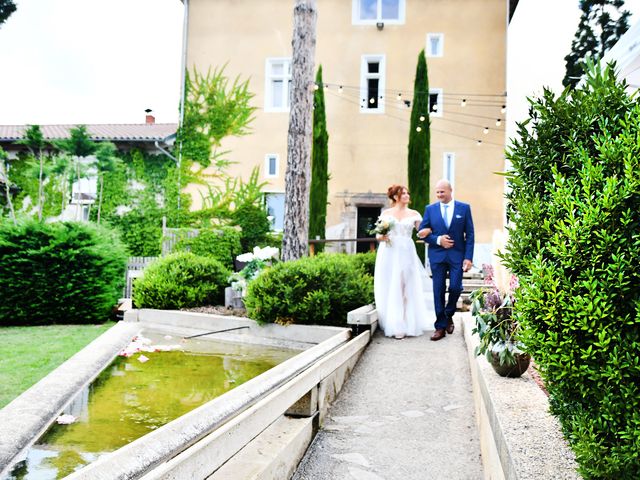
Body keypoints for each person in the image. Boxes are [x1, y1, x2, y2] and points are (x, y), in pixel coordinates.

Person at [417, 179, 474, 341]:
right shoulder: (430, 209)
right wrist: (437, 240)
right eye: (437, 192)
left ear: (450, 191)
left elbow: (470, 235)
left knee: (456, 287)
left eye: (442, 191)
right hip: (437, 256)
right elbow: (423, 234)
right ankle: (440, 327)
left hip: (457, 255)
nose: (439, 194)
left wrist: (468, 257)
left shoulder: (464, 208)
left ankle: (448, 314)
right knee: (438, 290)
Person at [374, 184, 432, 339]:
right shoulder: (386, 213)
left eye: (407, 193)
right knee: (394, 286)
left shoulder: (414, 214)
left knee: (407, 287)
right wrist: (382, 237)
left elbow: (421, 233)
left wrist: (426, 232)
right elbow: (378, 235)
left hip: (407, 251)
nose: (407, 196)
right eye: (403, 194)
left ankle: (408, 322)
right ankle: (396, 324)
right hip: (390, 252)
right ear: (395, 197)